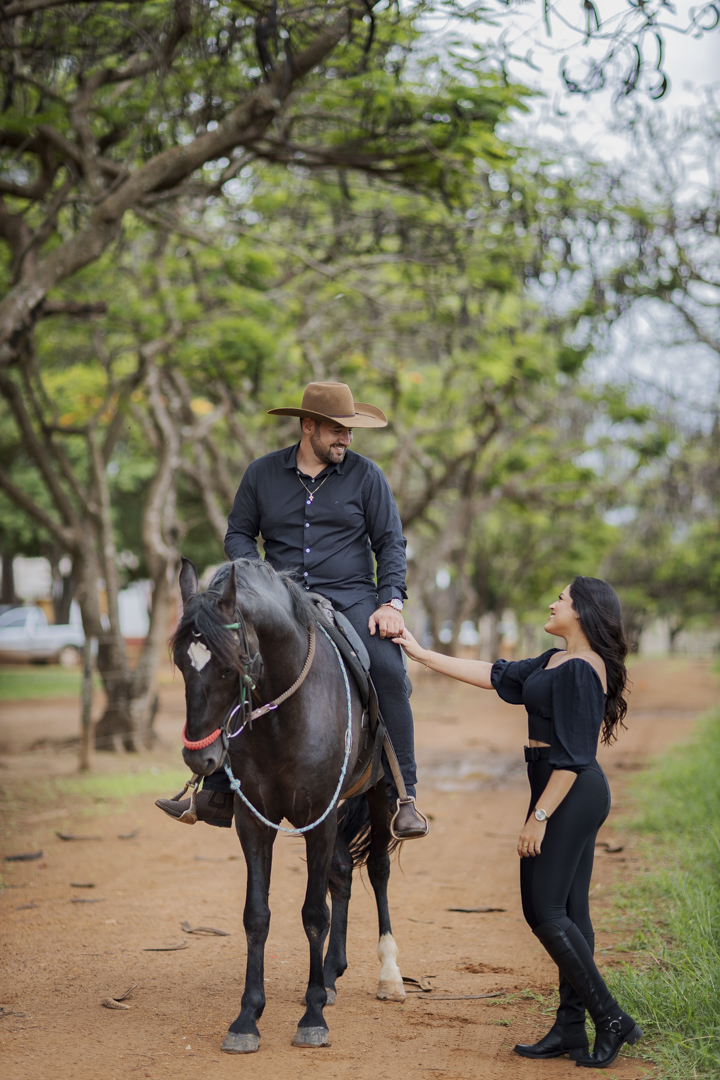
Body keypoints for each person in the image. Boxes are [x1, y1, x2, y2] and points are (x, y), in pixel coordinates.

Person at [157, 381, 428, 840]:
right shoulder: (261, 474)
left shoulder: (367, 476)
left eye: (349, 431)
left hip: (351, 598)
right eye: (337, 430)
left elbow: (390, 543)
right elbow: (238, 535)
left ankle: (405, 797)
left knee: (389, 670)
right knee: (230, 663)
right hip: (279, 602)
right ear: (308, 427)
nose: (346, 439)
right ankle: (217, 788)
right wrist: (260, 578)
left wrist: (390, 603)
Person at [392, 576, 643, 1069]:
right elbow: (494, 674)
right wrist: (420, 654)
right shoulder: (556, 660)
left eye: (561, 599)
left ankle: (611, 1017)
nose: (552, 604)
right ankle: (570, 1027)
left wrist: (539, 816)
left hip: (568, 791)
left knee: (544, 910)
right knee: (569, 911)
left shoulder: (582, 669)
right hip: (557, 786)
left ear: (583, 610)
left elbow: (574, 757)